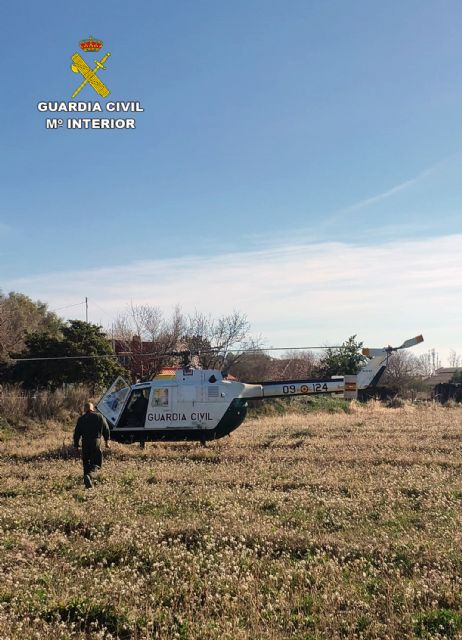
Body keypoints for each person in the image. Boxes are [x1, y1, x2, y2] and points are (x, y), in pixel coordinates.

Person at [73, 401, 110, 489]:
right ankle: (90, 476)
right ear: (92, 408)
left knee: (86, 462)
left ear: (85, 409)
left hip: (85, 442)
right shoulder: (99, 416)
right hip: (96, 441)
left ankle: (87, 483)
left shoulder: (81, 419)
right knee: (96, 463)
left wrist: (76, 445)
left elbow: (77, 433)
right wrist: (107, 441)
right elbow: (106, 429)